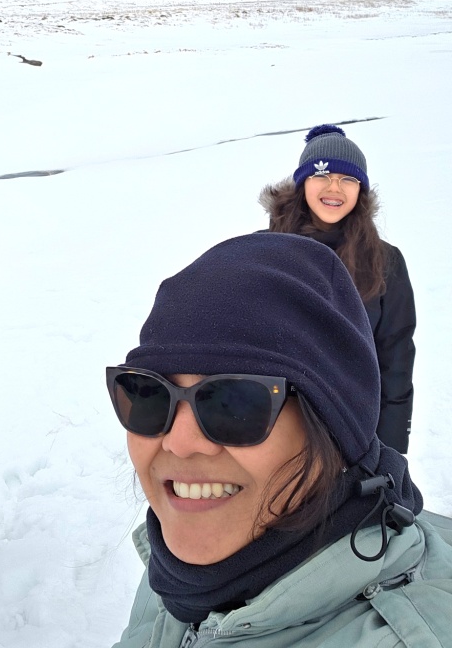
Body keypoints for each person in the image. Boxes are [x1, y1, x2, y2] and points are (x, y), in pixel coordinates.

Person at [106, 232, 452, 647]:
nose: (179, 442)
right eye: (148, 393)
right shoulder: (178, 570)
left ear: (334, 424)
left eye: (234, 401)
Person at [259, 123, 415, 453]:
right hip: (278, 428)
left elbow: (395, 359)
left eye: (347, 179)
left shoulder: (385, 261)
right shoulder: (266, 250)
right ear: (302, 183)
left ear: (361, 190)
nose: (334, 188)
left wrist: (390, 449)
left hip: (356, 430)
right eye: (321, 176)